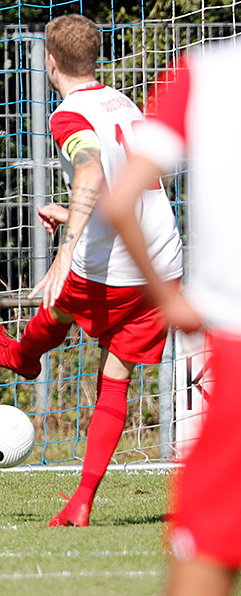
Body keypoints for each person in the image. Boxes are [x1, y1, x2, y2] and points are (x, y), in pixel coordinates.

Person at [0, 14, 183, 526]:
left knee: (60, 297)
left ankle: (22, 355)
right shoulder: (124, 103)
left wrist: (67, 244)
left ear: (51, 61)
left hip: (116, 267)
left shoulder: (67, 116)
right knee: (116, 379)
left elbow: (89, 167)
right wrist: (76, 214)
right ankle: (81, 501)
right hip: (164, 261)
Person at [105, 38, 241, 596]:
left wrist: (168, 298)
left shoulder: (207, 71)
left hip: (234, 343)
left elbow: (119, 202)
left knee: (205, 555)